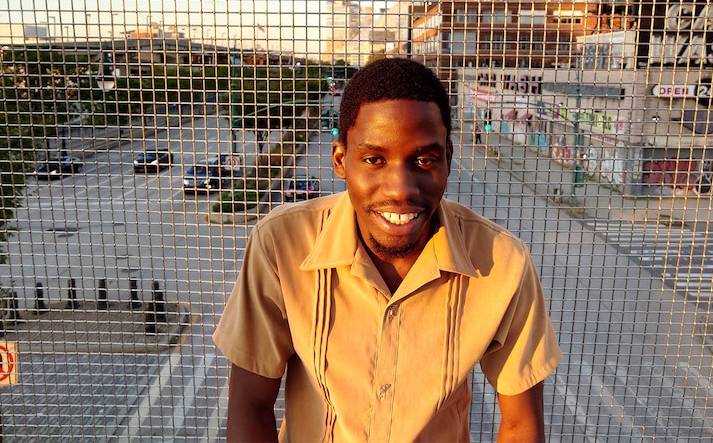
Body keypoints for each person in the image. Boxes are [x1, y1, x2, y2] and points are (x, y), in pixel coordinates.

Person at [214, 57, 561, 442]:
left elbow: (520, 424)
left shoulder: (503, 264)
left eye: (424, 159)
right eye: (374, 159)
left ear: (448, 158)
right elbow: (250, 405)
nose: (400, 188)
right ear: (341, 160)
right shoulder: (281, 245)